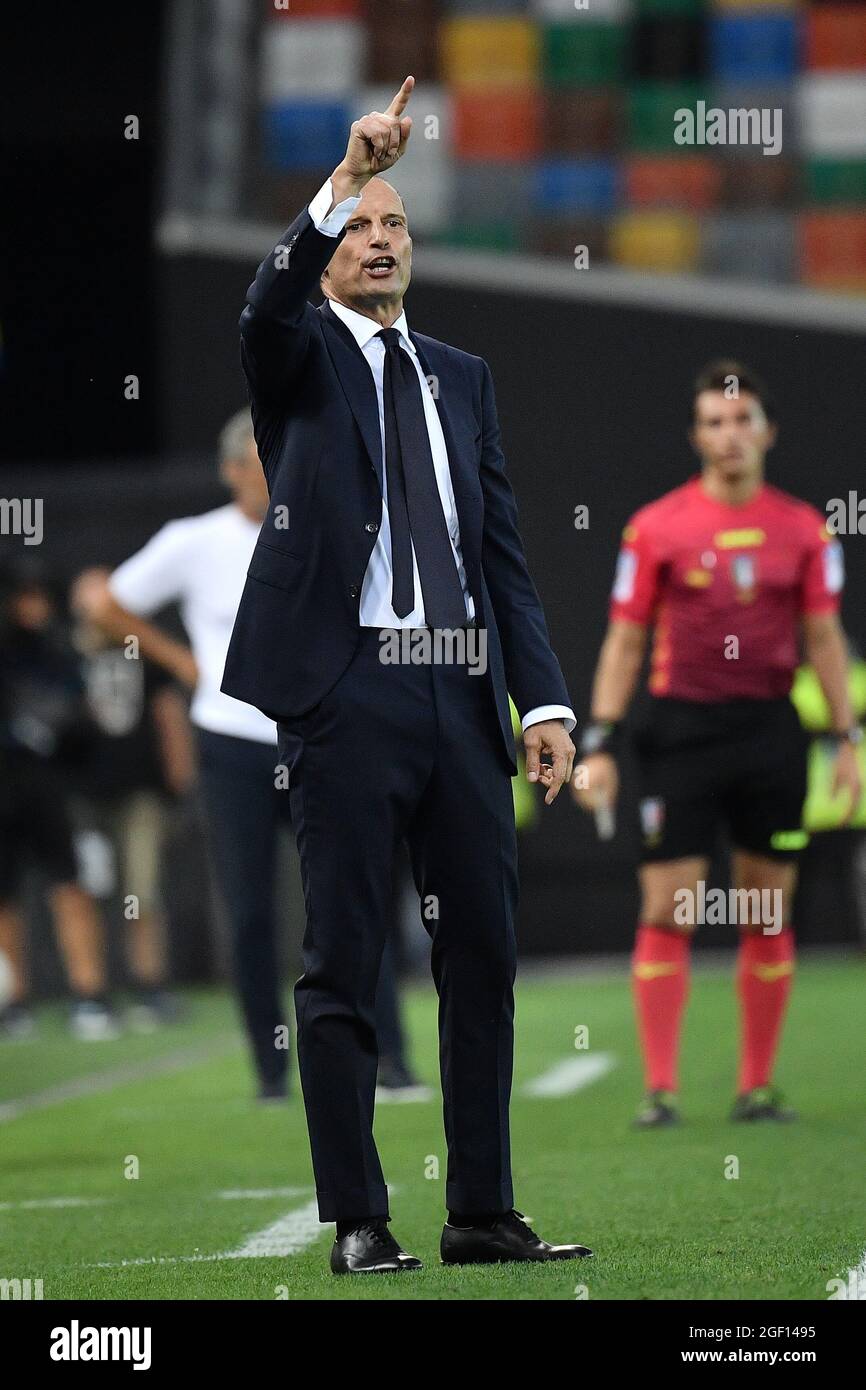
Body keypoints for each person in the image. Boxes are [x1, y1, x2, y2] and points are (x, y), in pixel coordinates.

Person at [221, 76, 591, 1273]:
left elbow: (500, 551)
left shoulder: (461, 375)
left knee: (481, 952)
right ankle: (357, 1216)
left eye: (394, 224)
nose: (379, 238)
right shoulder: (295, 359)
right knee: (342, 958)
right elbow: (263, 306)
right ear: (331, 249)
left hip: (460, 690)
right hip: (348, 689)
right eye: (360, 226)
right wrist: (338, 176)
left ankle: (480, 1209)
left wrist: (537, 699)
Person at [84, 411, 420, 1101]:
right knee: (250, 910)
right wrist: (183, 661)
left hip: (319, 739)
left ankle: (389, 1056)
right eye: (265, 459)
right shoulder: (194, 540)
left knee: (348, 901)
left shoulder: (327, 529)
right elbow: (106, 603)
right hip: (232, 741)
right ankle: (272, 1071)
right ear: (234, 468)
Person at [572, 360, 862, 1128]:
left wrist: (846, 737)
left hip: (769, 731)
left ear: (766, 430)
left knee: (768, 906)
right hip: (680, 733)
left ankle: (756, 1086)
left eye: (742, 421)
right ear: (697, 435)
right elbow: (625, 641)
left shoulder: (805, 527)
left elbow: (825, 638)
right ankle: (661, 1090)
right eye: (714, 422)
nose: (729, 436)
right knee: (670, 905)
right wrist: (597, 739)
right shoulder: (656, 527)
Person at [68, 568, 193, 1028]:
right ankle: (91, 992)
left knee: (142, 893)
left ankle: (149, 986)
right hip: (82, 796)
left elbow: (168, 715)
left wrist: (180, 775)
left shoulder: (144, 651)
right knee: (85, 891)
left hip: (139, 792)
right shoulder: (67, 653)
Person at [0, 563, 120, 1040]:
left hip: (50, 791)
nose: (34, 608)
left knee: (70, 886)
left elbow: (84, 727)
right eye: (24, 598)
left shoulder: (58, 654)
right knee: (5, 896)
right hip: (4, 789)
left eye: (40, 598)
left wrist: (60, 729)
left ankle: (89, 995)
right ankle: (14, 1000)